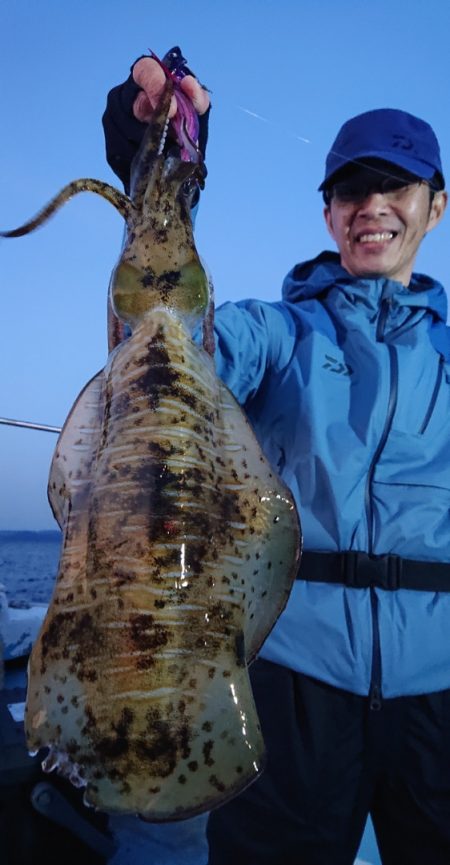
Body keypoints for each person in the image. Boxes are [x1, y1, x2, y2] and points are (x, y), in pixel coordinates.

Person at [102, 49, 450, 865]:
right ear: (328, 212)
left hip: (440, 687)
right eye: (349, 191)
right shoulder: (279, 331)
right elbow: (163, 354)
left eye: (394, 188)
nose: (371, 208)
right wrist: (157, 184)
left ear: (435, 207)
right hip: (292, 675)